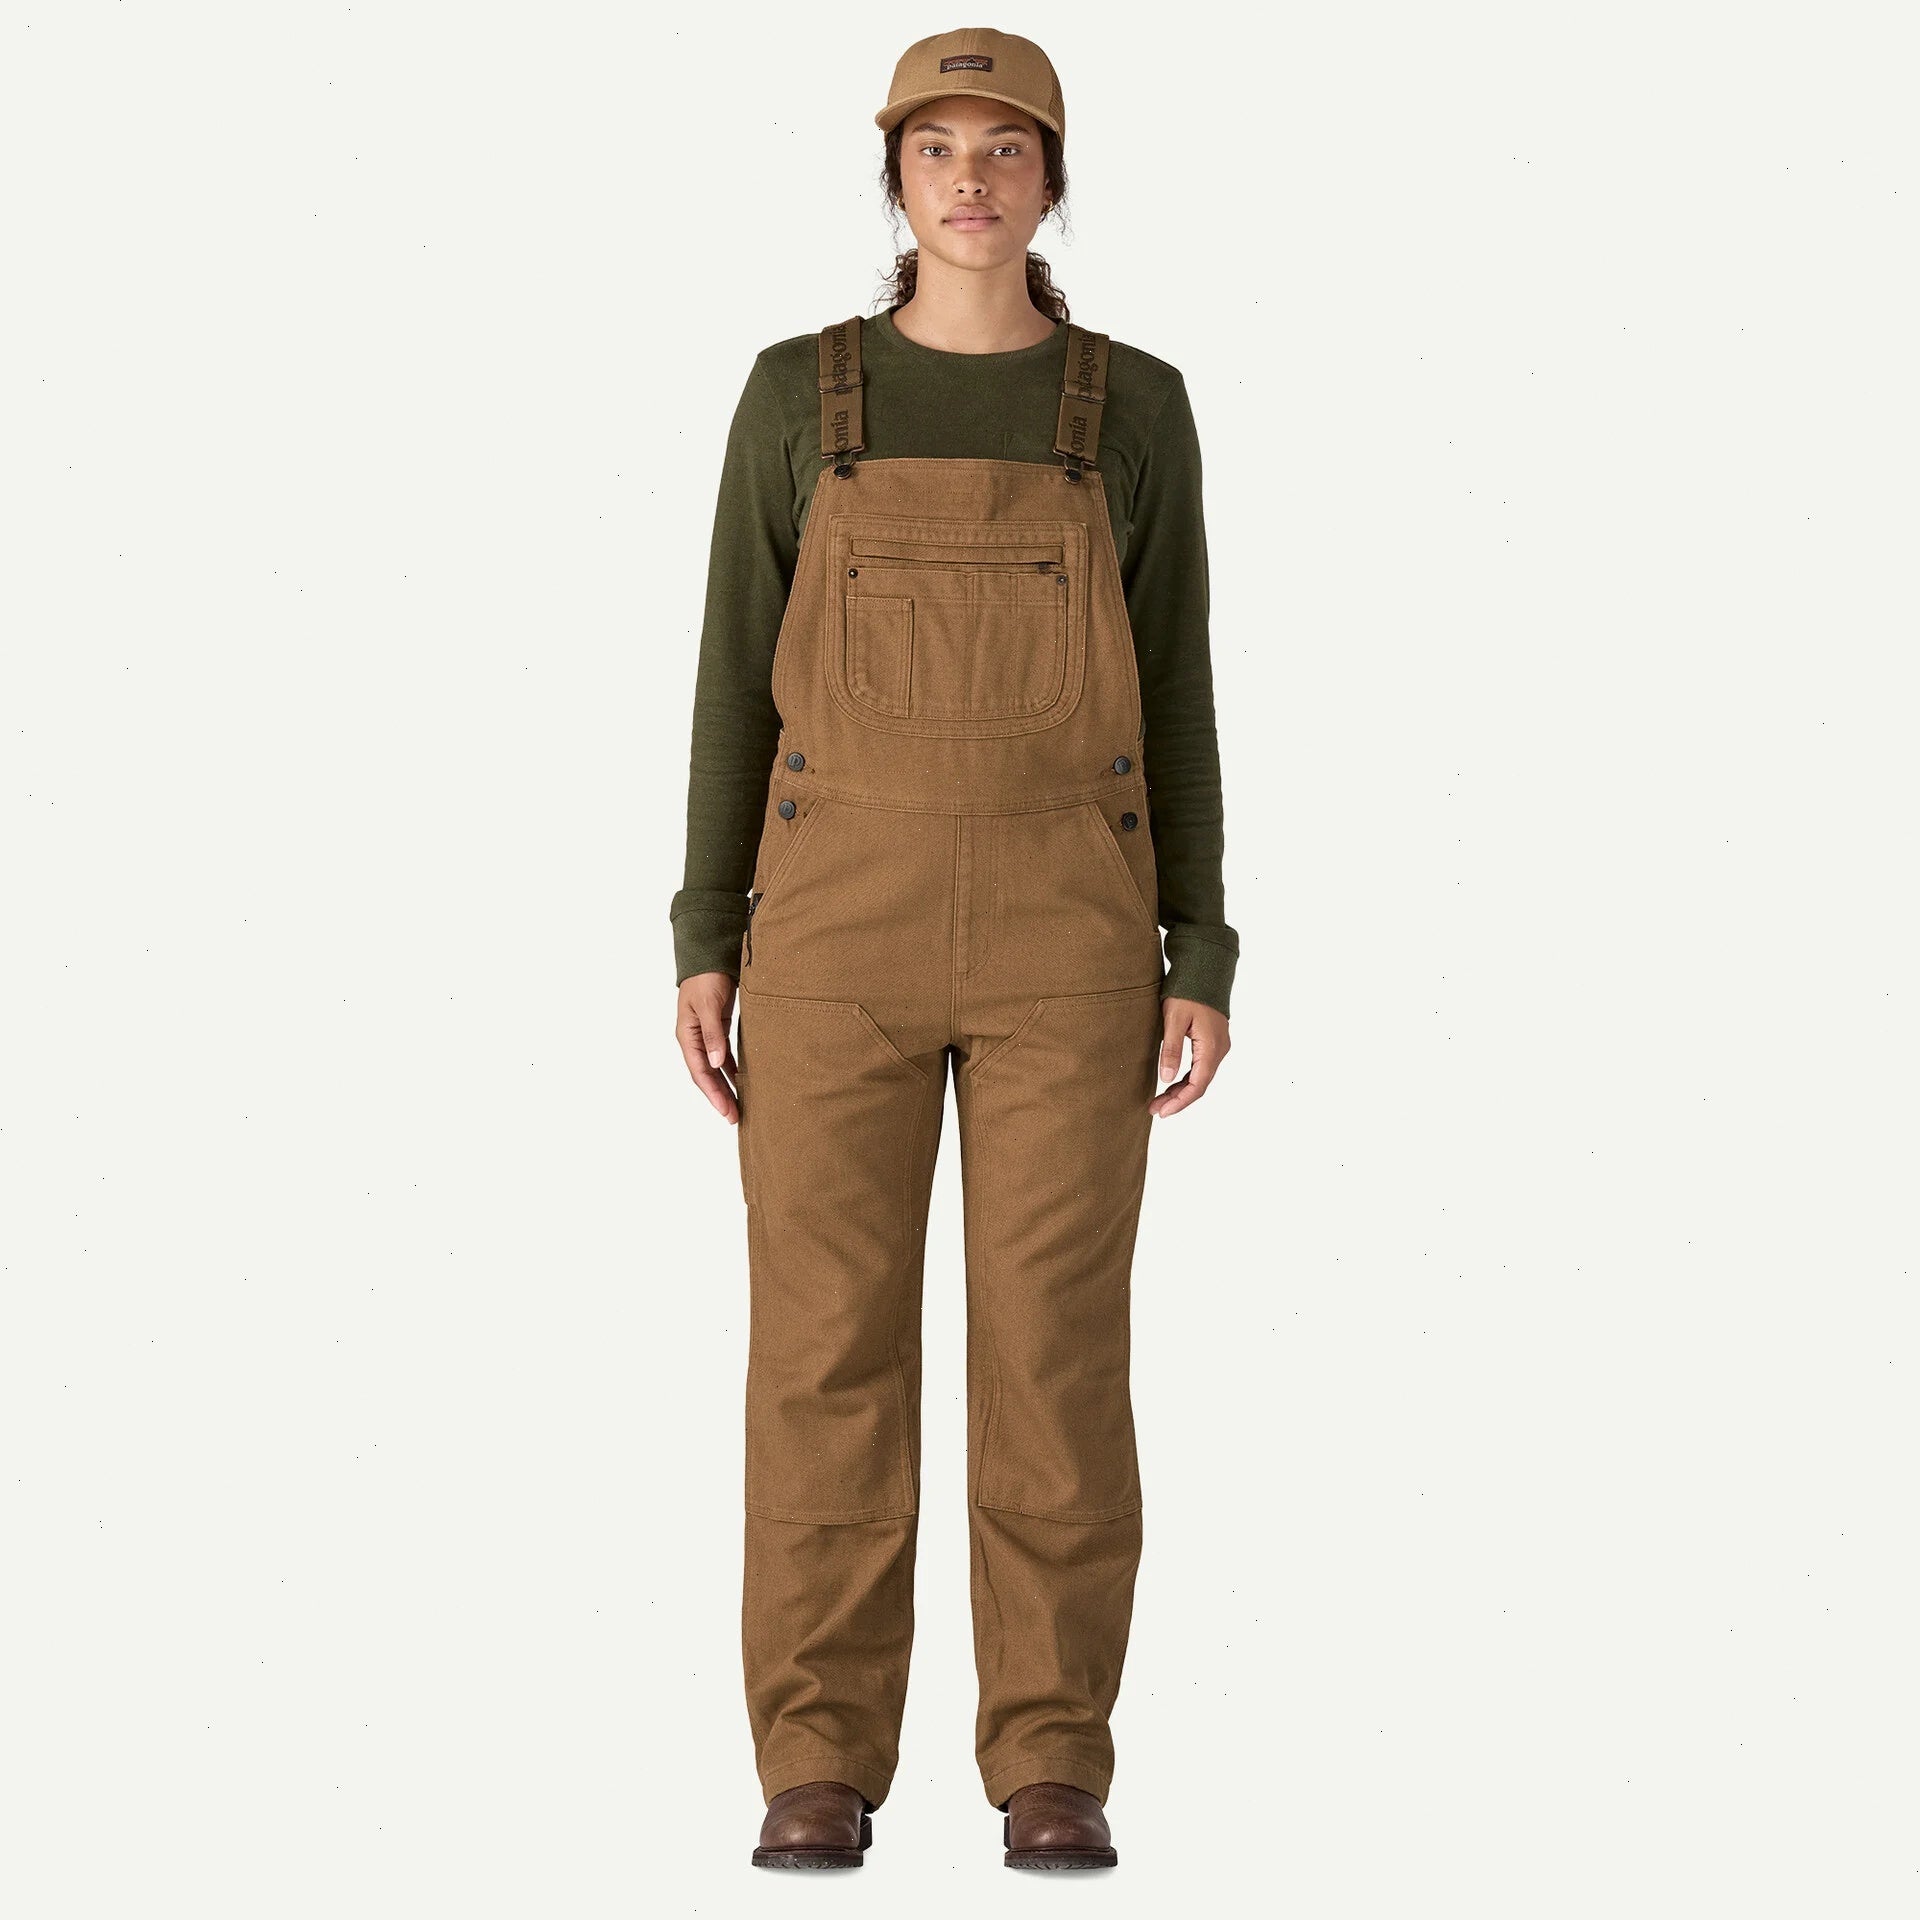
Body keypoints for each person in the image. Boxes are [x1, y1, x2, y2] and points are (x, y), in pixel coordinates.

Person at [669, 26, 1238, 1872]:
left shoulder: (1132, 406)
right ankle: (816, 1758)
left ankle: (1053, 1758)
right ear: (896, 176)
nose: (973, 179)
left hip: (1077, 938)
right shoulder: (796, 397)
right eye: (939, 148)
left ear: (1052, 181)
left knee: (1055, 1358)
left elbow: (1175, 689)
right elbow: (733, 680)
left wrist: (1202, 943)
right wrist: (705, 927)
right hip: (831, 932)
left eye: (1007, 148)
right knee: (823, 1355)